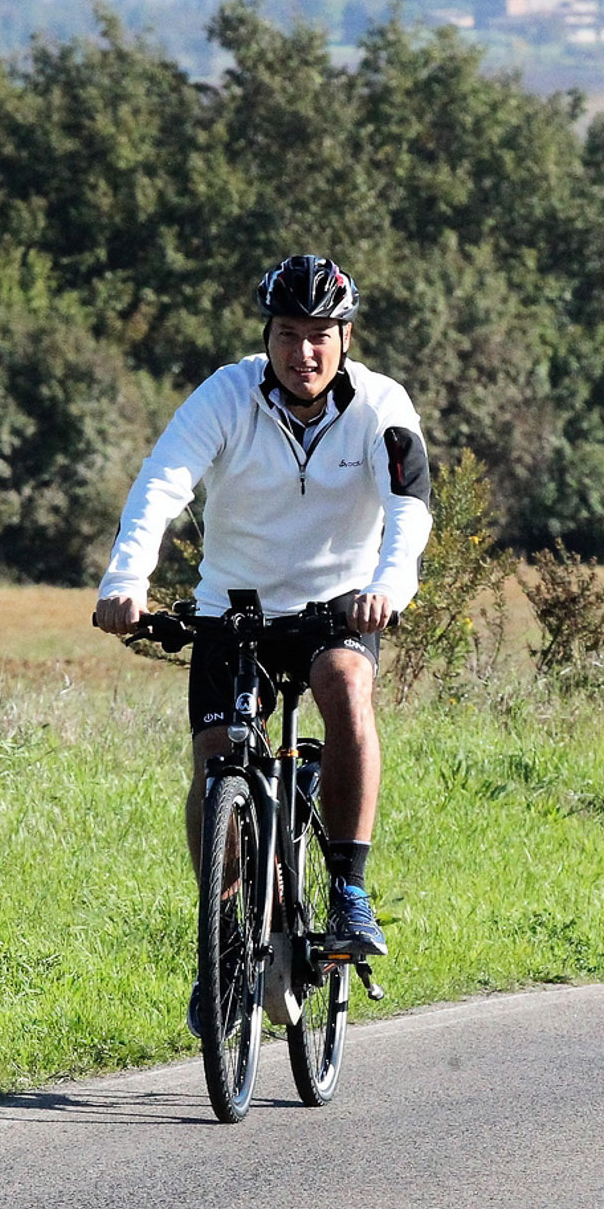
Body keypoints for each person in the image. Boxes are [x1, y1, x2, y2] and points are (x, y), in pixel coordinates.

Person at [94, 254, 433, 1033]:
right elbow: (163, 483)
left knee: (347, 688)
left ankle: (347, 884)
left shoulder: (382, 405)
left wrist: (389, 588)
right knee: (217, 760)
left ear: (345, 338)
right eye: (288, 334)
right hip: (233, 611)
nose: (302, 352)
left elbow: (409, 511)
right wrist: (126, 580)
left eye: (320, 335)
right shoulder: (226, 393)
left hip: (337, 607)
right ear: (268, 336)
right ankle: (220, 943)